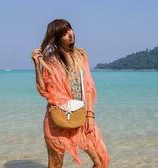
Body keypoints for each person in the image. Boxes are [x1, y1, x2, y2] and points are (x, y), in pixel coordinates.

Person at [31, 19, 109, 168]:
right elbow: (43, 91)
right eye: (64, 33)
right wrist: (37, 64)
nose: (70, 34)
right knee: (56, 164)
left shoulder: (81, 55)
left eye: (70, 29)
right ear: (56, 37)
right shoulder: (50, 59)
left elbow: (88, 88)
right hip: (58, 118)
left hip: (81, 116)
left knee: (100, 161)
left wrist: (90, 115)